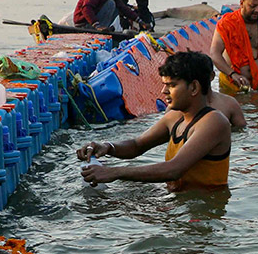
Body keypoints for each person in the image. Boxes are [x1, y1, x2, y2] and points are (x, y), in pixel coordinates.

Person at [77, 52, 231, 192]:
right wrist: (107, 147)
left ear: (194, 87)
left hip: (204, 210)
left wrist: (114, 172)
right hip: (178, 201)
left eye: (172, 85)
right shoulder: (174, 117)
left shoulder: (214, 122)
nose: (164, 91)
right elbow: (138, 145)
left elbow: (174, 169)